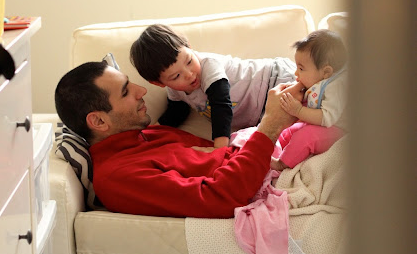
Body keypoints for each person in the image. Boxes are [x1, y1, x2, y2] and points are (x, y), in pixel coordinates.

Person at [54, 60, 304, 219]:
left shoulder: (147, 134)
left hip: (276, 162)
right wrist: (269, 127)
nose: (142, 91)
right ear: (98, 121)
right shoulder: (118, 177)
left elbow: (224, 155)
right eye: (126, 92)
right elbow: (221, 198)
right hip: (269, 183)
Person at [129, 24, 296, 149]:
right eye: (176, 76)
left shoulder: (209, 66)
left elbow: (221, 105)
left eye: (189, 61)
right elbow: (177, 112)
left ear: (189, 46)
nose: (189, 74)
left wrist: (219, 148)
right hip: (262, 113)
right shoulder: (174, 90)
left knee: (298, 123)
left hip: (275, 80)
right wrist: (152, 131)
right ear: (159, 83)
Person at [270, 29, 347, 171]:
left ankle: (282, 163)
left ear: (326, 72)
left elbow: (327, 118)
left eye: (301, 68)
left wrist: (298, 110)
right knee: (293, 129)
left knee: (305, 136)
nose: (296, 73)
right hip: (323, 125)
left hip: (339, 130)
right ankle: (276, 147)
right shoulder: (320, 80)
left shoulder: (336, 87)